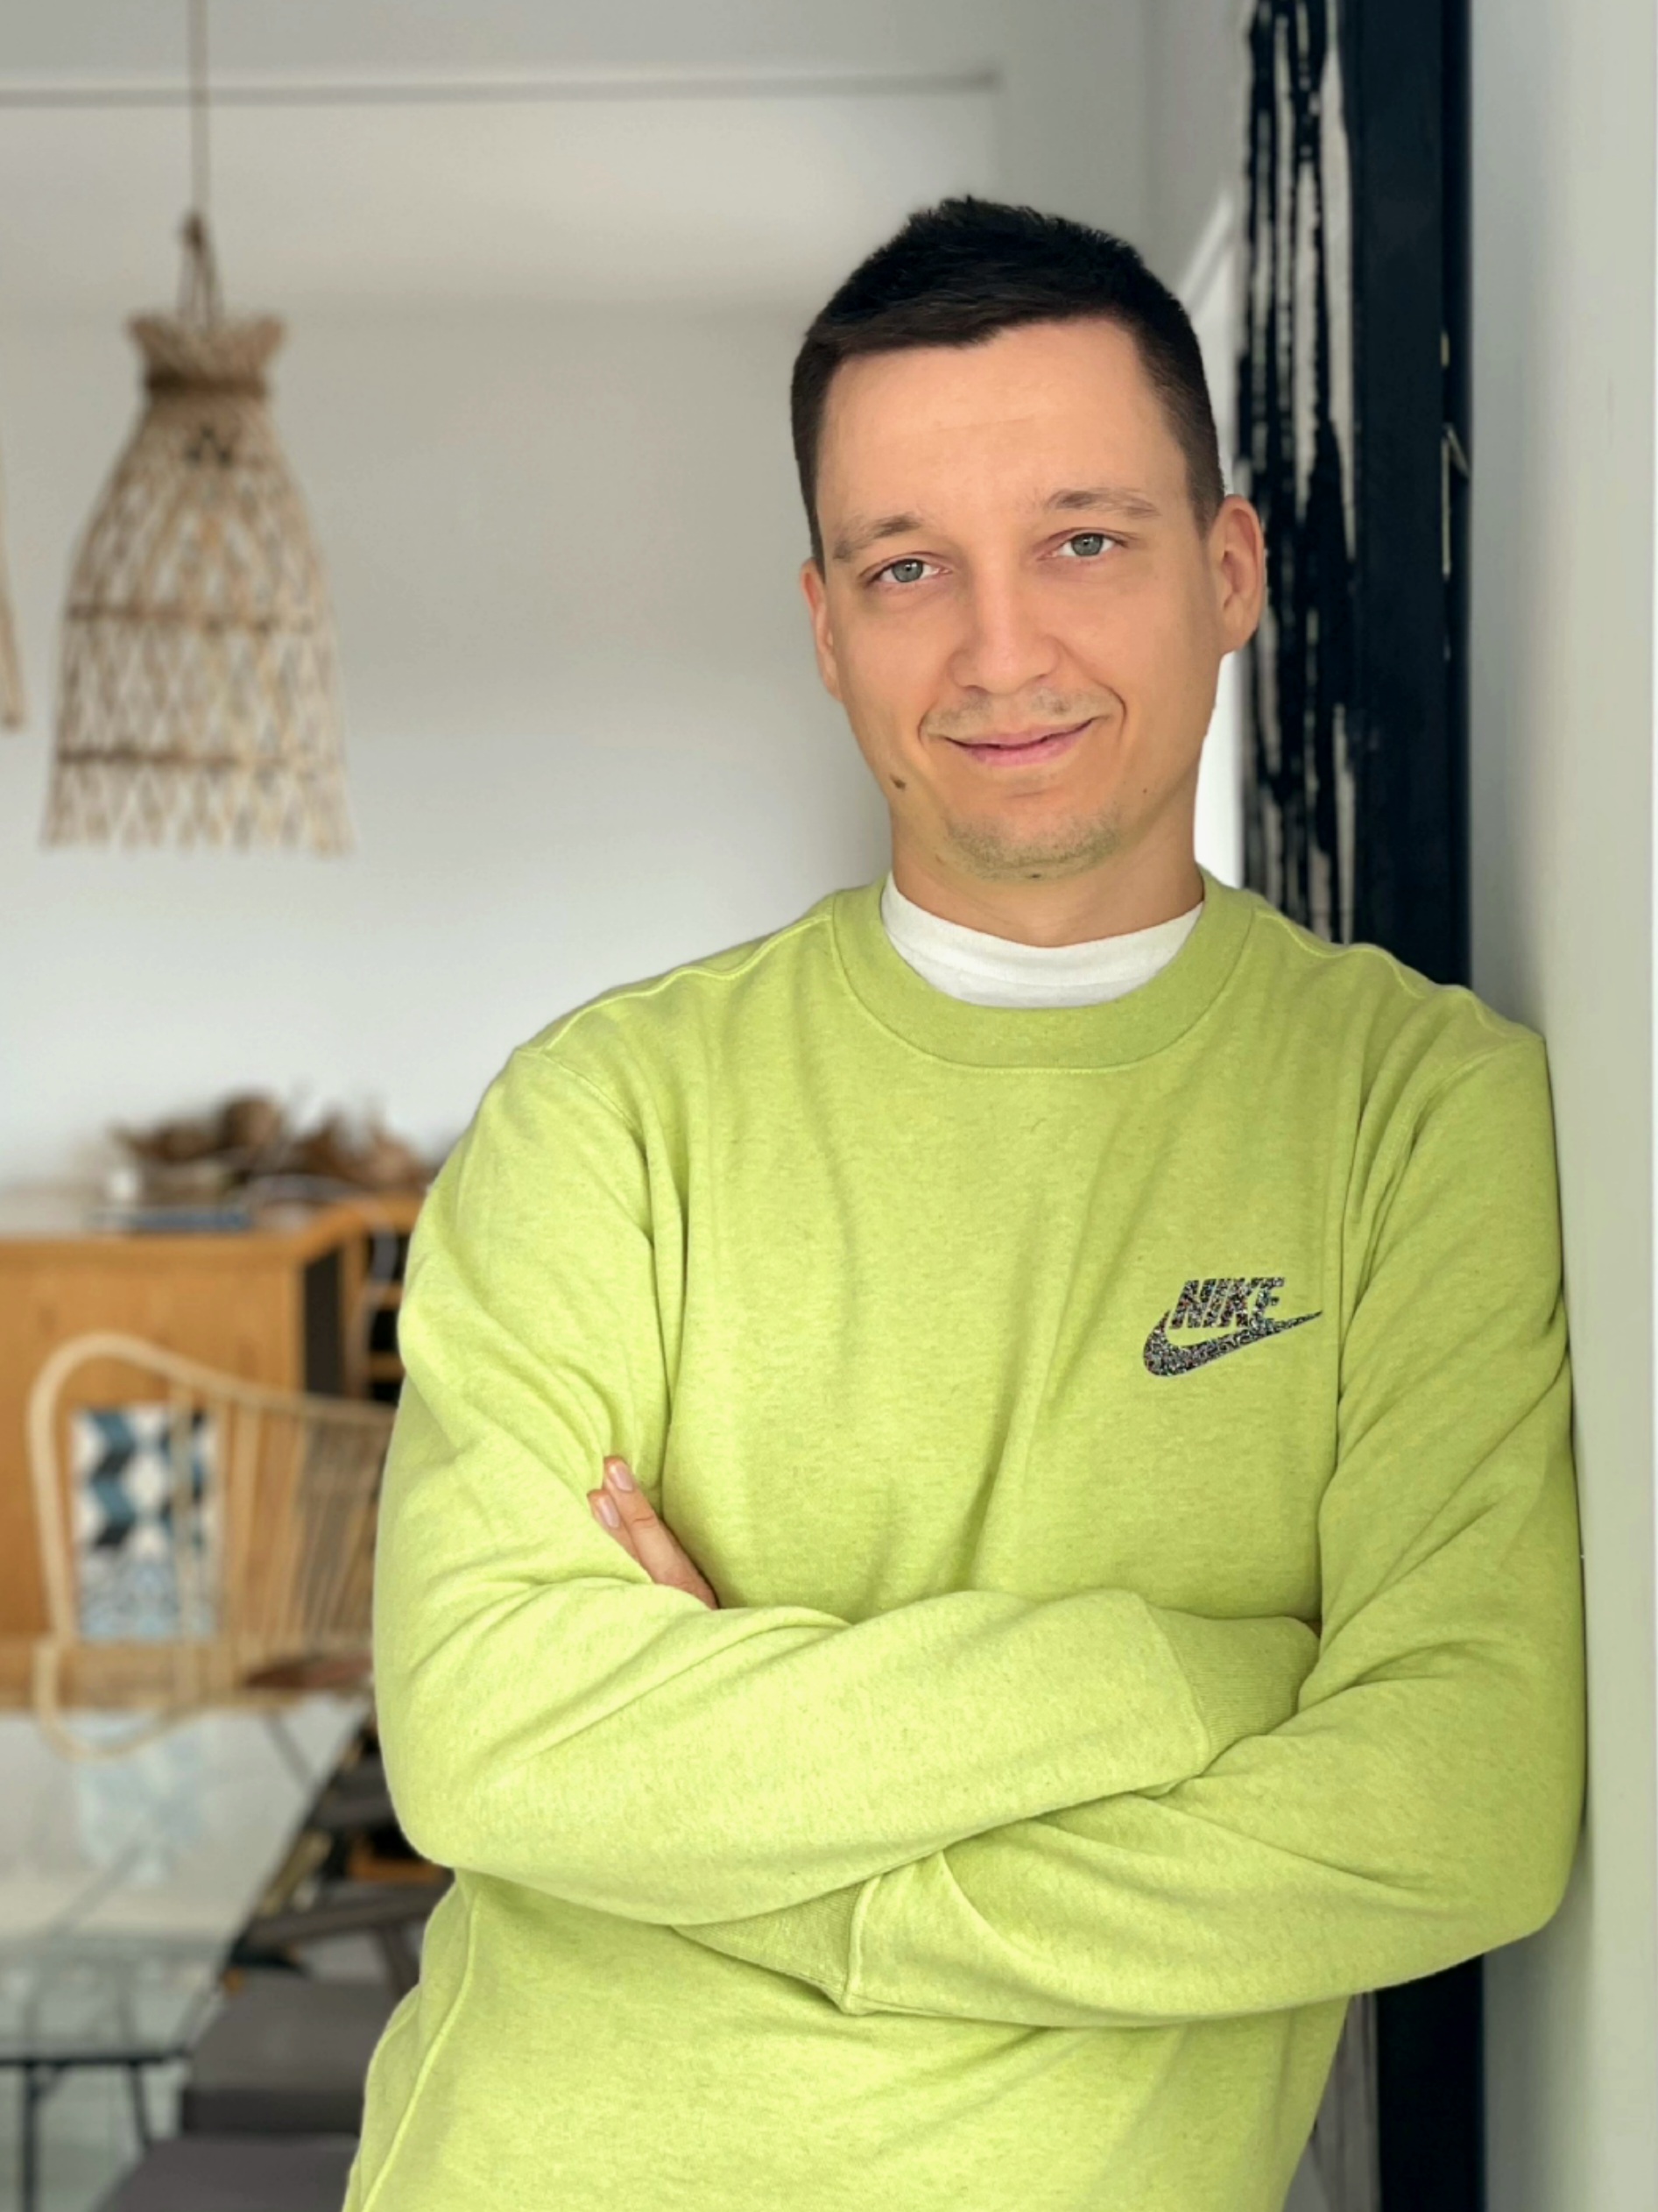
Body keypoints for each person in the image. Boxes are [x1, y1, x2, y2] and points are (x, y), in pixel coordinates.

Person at [344, 197, 1585, 2212]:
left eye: (1081, 541)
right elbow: (489, 1742)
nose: (998, 652)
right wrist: (1202, 1677)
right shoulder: (604, 1118)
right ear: (826, 626)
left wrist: (767, 1853)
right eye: (906, 566)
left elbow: (1449, 1810)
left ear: (1227, 570)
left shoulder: (1410, 1115)